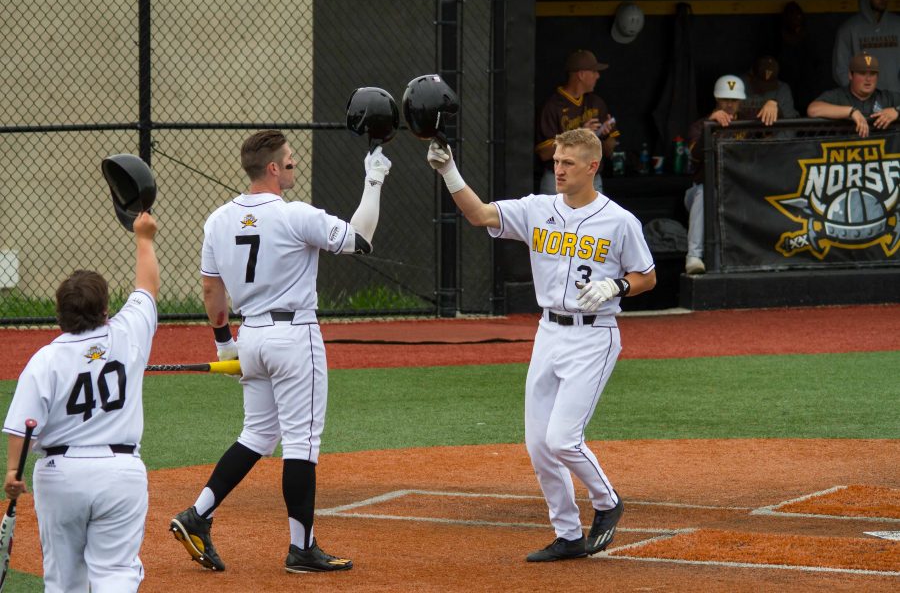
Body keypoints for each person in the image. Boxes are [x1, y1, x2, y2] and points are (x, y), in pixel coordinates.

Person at [427, 128, 656, 562]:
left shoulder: (620, 220)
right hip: (548, 333)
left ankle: (607, 502)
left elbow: (648, 276)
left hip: (594, 336)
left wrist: (617, 285)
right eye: (556, 161)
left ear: (593, 166)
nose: (559, 170)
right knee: (538, 444)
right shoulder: (537, 209)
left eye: (568, 163)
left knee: (564, 440)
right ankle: (567, 534)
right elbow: (479, 215)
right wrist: (449, 170)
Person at [169, 130, 390, 574]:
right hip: (294, 336)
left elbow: (212, 290)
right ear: (271, 168)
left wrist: (225, 343)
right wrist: (374, 181)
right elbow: (360, 239)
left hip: (250, 336)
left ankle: (198, 514)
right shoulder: (295, 215)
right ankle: (301, 548)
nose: (293, 164)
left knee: (257, 436)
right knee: (301, 443)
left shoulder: (217, 220)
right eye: (288, 160)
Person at [3, 212, 160, 592]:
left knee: (65, 580)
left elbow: (21, 425)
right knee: (117, 573)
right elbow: (147, 286)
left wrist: (11, 473)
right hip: (121, 473)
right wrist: (144, 238)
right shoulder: (129, 333)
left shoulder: (44, 360)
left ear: (59, 315)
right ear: (106, 309)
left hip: (60, 475)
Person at [684, 75, 748, 275]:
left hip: (735, 192)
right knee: (705, 194)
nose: (730, 105)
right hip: (701, 192)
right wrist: (709, 128)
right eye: (725, 100)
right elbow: (694, 157)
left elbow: (775, 119)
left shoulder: (747, 122)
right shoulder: (701, 124)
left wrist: (773, 104)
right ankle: (694, 255)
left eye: (734, 100)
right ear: (717, 99)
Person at [535, 49, 619, 194]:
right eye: (594, 72)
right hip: (560, 179)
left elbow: (610, 150)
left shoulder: (596, 103)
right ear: (581, 75)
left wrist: (604, 136)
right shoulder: (552, 106)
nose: (598, 76)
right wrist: (578, 134)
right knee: (556, 217)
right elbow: (543, 153)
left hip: (590, 179)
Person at [809, 51, 900, 137]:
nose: (868, 79)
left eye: (872, 74)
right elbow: (813, 110)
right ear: (850, 75)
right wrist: (851, 112)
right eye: (862, 73)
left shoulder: (886, 97)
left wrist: (897, 111)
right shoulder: (838, 96)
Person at [833, 0, 900, 94]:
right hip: (863, 103)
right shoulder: (849, 28)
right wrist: (858, 95)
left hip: (896, 100)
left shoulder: (897, 26)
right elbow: (840, 69)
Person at [742, 55, 800, 126]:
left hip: (773, 135)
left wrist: (775, 106)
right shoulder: (740, 85)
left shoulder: (782, 89)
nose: (764, 89)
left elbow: (790, 126)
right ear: (751, 74)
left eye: (768, 84)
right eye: (761, 83)